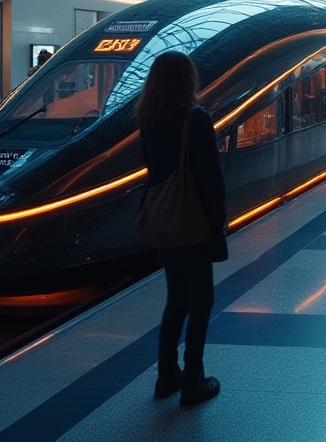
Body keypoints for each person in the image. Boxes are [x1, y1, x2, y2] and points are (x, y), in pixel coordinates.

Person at [137, 50, 227, 407]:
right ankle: (193, 380)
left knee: (175, 299)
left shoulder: (147, 118)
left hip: (164, 219)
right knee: (201, 300)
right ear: (187, 80)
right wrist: (218, 219)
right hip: (193, 221)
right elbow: (209, 177)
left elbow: (152, 170)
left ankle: (166, 375)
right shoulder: (196, 118)